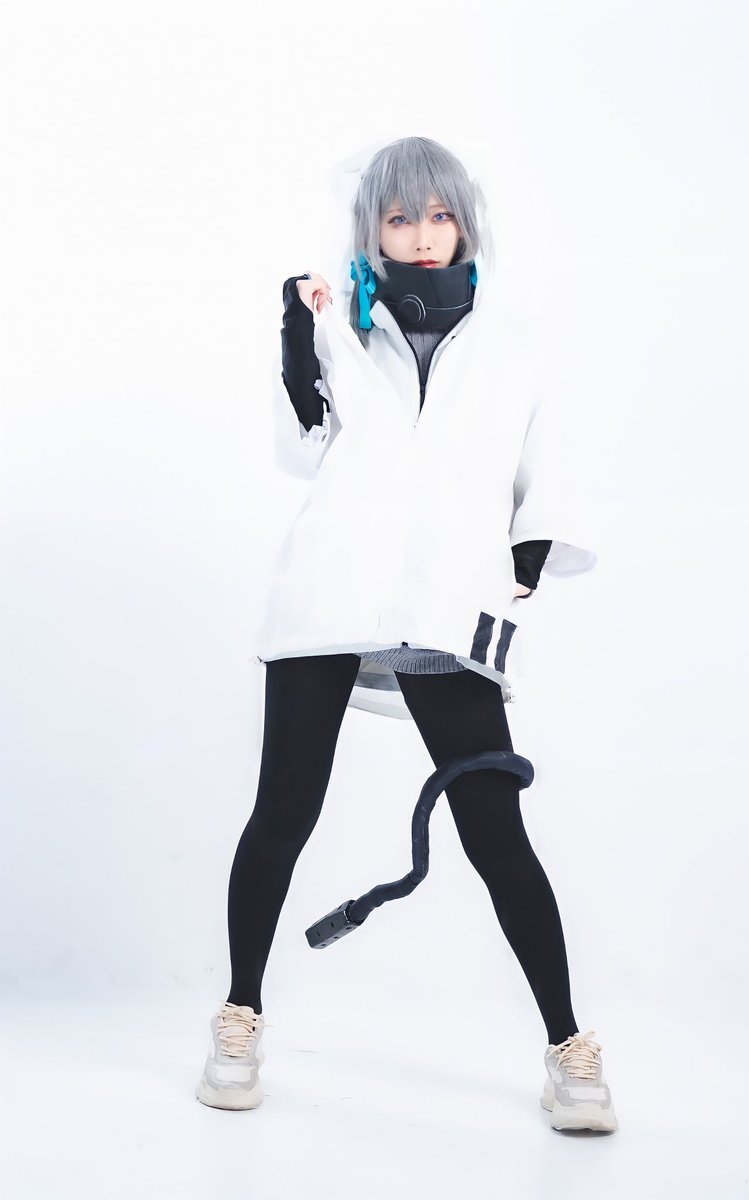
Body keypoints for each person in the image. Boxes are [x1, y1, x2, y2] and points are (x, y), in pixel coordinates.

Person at [195, 136, 618, 1133]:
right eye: (398, 217)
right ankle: (239, 1016)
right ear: (370, 229)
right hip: (329, 596)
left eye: (437, 214)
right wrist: (298, 337)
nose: (421, 235)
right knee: (281, 814)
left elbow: (546, 465)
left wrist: (523, 560)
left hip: (444, 604)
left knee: (494, 833)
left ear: (463, 222)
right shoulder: (339, 324)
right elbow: (302, 448)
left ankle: (567, 1046)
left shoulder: (514, 342)